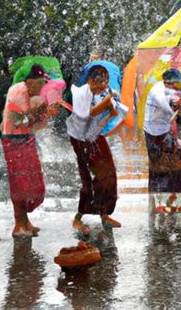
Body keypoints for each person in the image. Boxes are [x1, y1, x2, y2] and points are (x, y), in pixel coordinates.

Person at [1, 64, 56, 237]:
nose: (41, 88)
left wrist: (46, 114)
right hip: (13, 139)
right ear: (30, 81)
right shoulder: (17, 92)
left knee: (33, 181)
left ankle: (25, 221)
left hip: (26, 138)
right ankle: (19, 224)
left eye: (43, 84)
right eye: (39, 84)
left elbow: (35, 125)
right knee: (19, 183)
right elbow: (19, 121)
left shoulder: (34, 95)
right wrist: (40, 112)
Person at [66, 64, 121, 236]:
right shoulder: (81, 93)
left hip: (96, 135)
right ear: (90, 80)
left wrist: (112, 111)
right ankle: (78, 217)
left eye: (105, 83)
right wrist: (106, 103)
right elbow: (84, 115)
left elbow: (104, 117)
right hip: (80, 138)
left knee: (109, 173)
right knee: (90, 176)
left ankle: (105, 214)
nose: (102, 87)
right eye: (98, 83)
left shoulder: (103, 93)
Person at [143, 68, 181, 213]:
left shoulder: (169, 90)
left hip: (165, 132)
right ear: (171, 83)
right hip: (153, 133)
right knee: (158, 167)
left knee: (179, 164)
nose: (179, 86)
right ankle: (155, 200)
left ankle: (171, 199)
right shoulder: (157, 91)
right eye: (178, 83)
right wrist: (179, 108)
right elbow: (168, 109)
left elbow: (178, 98)